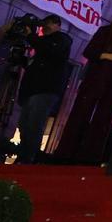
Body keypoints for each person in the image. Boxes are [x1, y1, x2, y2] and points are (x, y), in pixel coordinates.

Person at [54, 2, 112, 164]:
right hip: (96, 79)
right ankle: (67, 153)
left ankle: (91, 156)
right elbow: (89, 51)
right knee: (81, 113)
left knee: (103, 118)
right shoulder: (106, 31)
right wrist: (107, 56)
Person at [15, 15, 72, 164]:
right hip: (33, 89)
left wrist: (30, 36)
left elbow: (50, 50)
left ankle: (28, 158)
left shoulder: (62, 39)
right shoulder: (42, 44)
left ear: (57, 25)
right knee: (24, 123)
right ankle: (24, 155)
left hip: (45, 89)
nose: (44, 28)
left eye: (47, 25)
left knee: (34, 123)